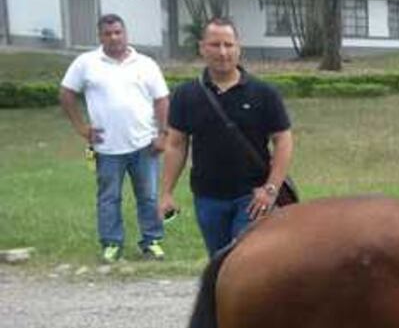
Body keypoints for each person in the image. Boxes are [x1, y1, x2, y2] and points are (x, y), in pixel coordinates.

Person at [159, 18, 294, 257]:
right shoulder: (185, 95)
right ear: (202, 48)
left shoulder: (264, 93)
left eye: (228, 45)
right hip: (208, 197)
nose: (223, 52)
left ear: (238, 47)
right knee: (219, 261)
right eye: (215, 45)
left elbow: (283, 140)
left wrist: (270, 189)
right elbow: (176, 145)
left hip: (252, 196)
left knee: (245, 259)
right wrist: (167, 192)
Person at [59, 14, 170, 263]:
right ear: (100, 36)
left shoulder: (145, 63)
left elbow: (162, 99)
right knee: (109, 198)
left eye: (118, 32)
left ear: (125, 33)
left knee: (149, 196)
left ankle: (151, 241)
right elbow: (66, 94)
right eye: (108, 33)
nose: (114, 37)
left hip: (144, 145)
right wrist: (81, 127)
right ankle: (111, 243)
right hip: (107, 147)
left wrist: (163, 134)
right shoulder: (86, 63)